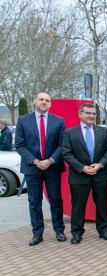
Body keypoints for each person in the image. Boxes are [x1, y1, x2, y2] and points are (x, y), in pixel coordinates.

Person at [14, 93, 66, 246]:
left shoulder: (58, 121)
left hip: (52, 167)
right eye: (41, 99)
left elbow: (62, 145)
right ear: (34, 101)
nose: (44, 102)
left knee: (55, 199)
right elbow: (20, 145)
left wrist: (50, 161)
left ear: (50, 104)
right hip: (32, 168)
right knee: (34, 201)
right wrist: (35, 161)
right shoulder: (23, 120)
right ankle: (37, 233)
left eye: (47, 100)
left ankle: (59, 230)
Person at [62, 103, 107, 244]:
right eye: (88, 113)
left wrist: (100, 164)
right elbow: (66, 154)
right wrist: (82, 168)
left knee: (102, 204)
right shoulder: (69, 133)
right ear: (80, 114)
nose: (91, 116)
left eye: (93, 114)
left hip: (100, 174)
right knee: (78, 206)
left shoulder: (103, 132)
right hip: (79, 175)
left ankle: (103, 230)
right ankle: (77, 233)